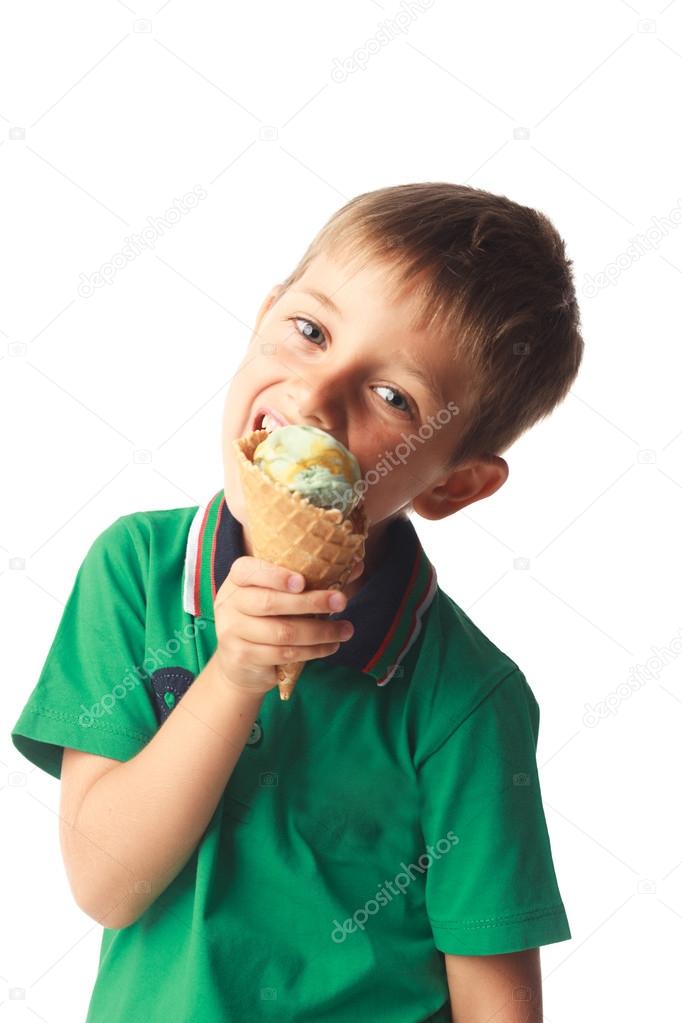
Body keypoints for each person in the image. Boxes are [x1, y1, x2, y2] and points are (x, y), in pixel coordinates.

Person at [11, 181, 583, 1023]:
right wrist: (233, 674)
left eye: (395, 398)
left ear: (455, 482)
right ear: (264, 312)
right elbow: (106, 884)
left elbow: (497, 1003)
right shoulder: (136, 572)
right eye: (310, 330)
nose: (316, 398)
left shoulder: (467, 697)